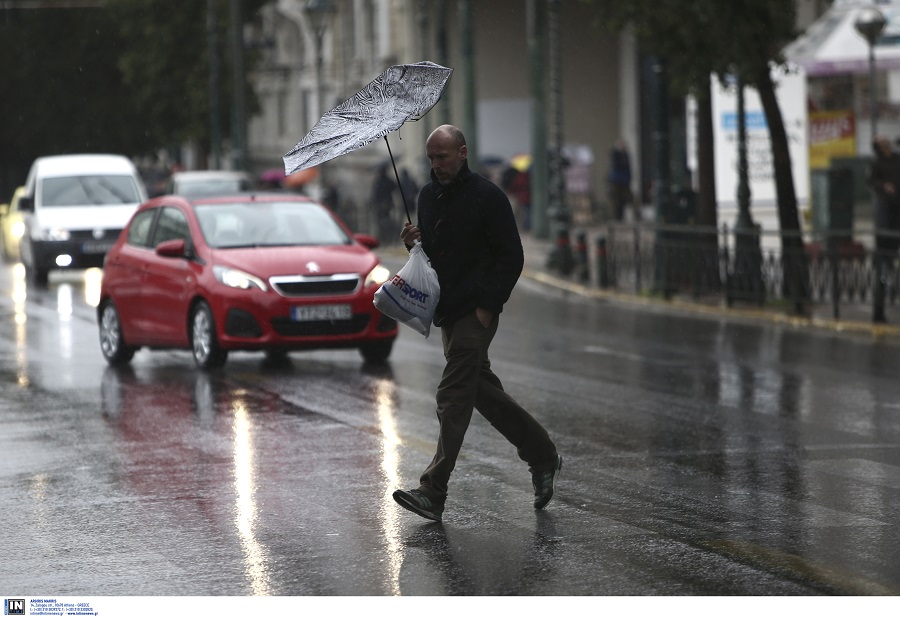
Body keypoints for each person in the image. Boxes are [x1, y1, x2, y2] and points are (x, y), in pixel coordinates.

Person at [393, 125, 562, 523]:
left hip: (478, 311)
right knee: (479, 390)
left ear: (463, 153)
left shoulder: (488, 197)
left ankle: (433, 491)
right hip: (449, 311)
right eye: (432, 157)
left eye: (444, 157)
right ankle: (543, 456)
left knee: (452, 395)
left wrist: (489, 305)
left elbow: (511, 256)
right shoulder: (427, 196)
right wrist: (413, 243)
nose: (437, 165)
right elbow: (433, 256)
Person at [868, 136, 900, 322]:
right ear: (878, 146)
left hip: (898, 204)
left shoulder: (896, 158)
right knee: (885, 242)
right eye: (881, 141)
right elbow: (871, 181)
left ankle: (890, 270)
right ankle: (885, 275)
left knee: (894, 239)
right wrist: (883, 186)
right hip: (886, 206)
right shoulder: (877, 162)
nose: (884, 141)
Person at [607, 139, 632, 221]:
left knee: (624, 199)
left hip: (624, 180)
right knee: (616, 199)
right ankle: (616, 217)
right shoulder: (615, 154)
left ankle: (621, 216)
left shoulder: (626, 155)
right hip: (616, 179)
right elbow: (616, 165)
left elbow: (628, 167)